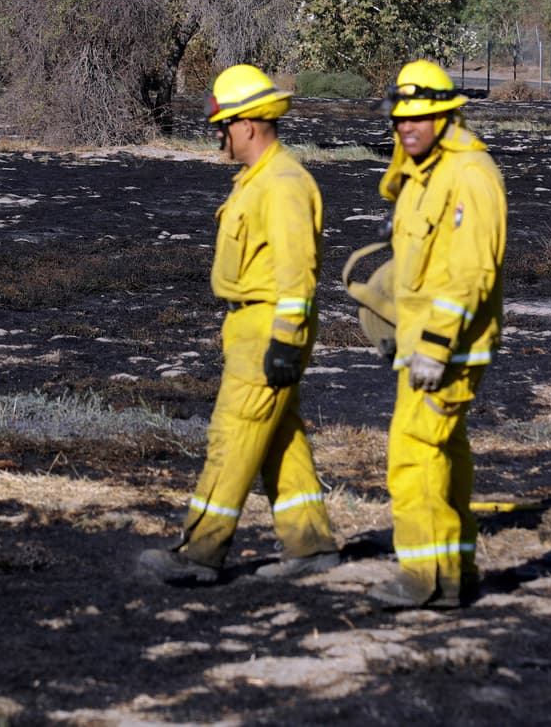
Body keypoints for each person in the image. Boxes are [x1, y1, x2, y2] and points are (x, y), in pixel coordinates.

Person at [138, 64, 340, 584]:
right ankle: (311, 545)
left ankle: (201, 552)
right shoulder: (259, 180)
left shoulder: (283, 183)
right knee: (278, 437)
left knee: (232, 437)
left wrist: (285, 341)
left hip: (267, 327)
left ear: (248, 125)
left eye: (224, 126)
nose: (221, 136)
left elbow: (298, 273)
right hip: (251, 326)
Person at [367, 60, 506, 608]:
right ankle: (453, 577)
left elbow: (471, 273)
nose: (407, 128)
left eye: (419, 120)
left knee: (413, 452)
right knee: (445, 454)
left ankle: (420, 576)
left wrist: (433, 344)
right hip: (427, 343)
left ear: (449, 117)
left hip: (447, 349)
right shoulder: (426, 174)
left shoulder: (470, 176)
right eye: (401, 120)